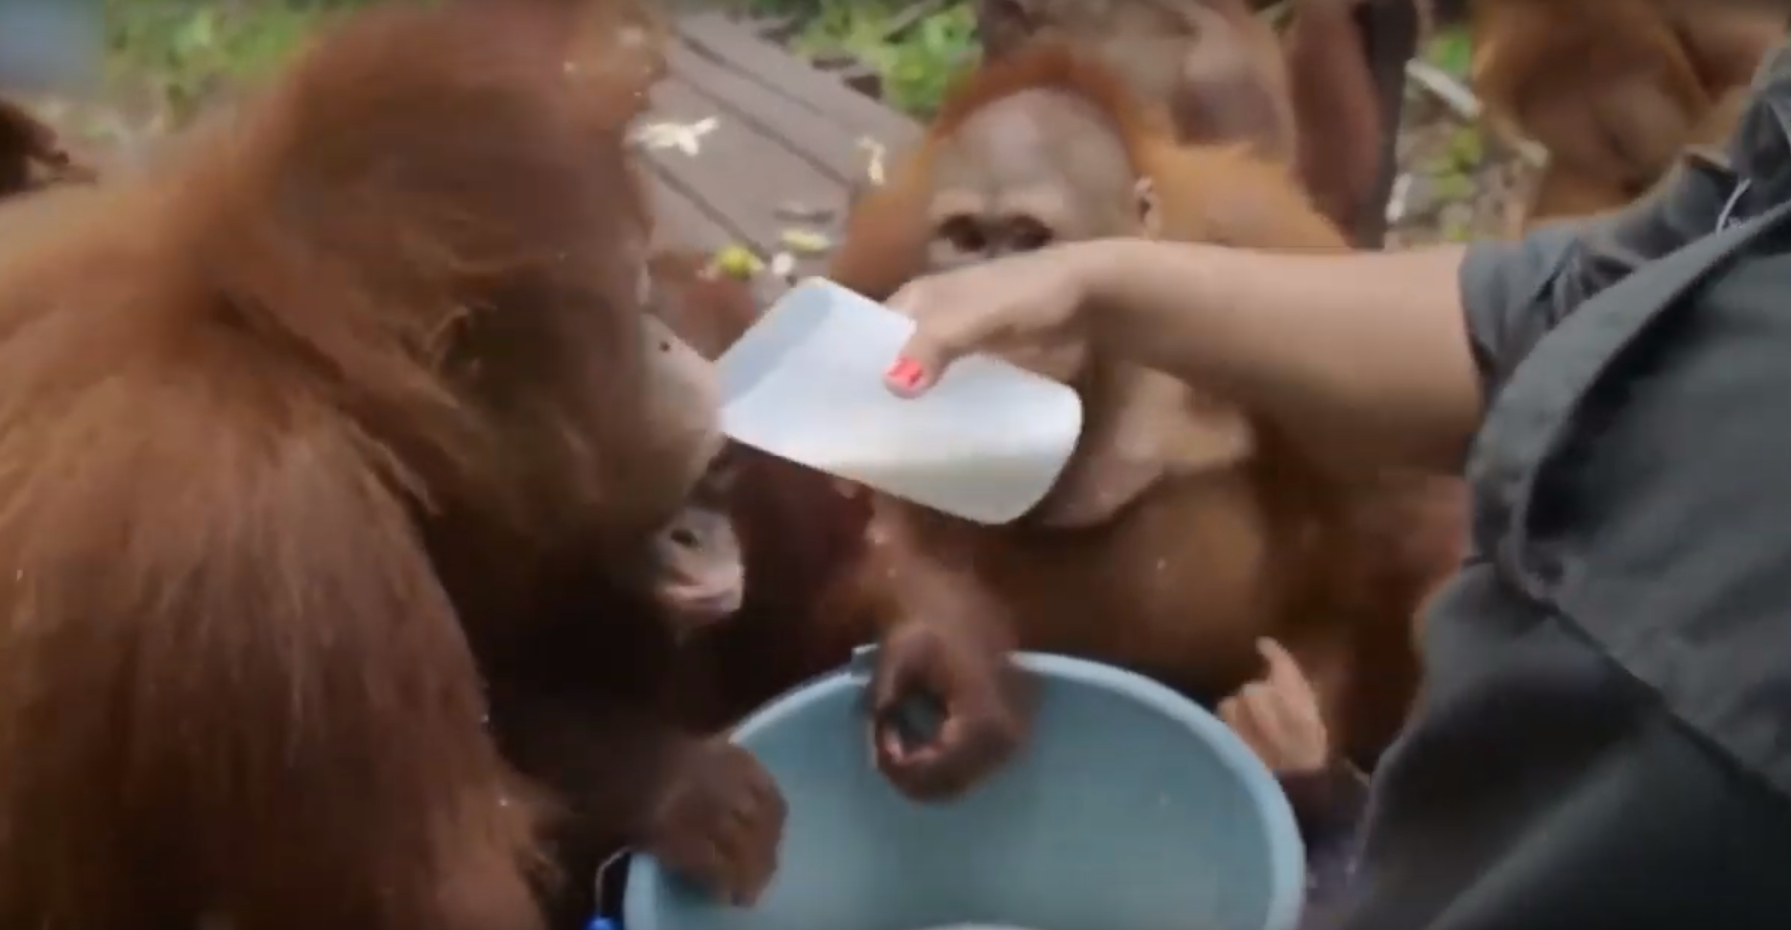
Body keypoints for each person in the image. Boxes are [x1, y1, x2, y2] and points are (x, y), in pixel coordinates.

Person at [877, 14, 1791, 928]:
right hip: (1035, 742)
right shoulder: (912, 271)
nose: (996, 270)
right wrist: (927, 596)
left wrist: (1328, 740)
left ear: (1146, 215)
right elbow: (1574, 303)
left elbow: (1407, 530)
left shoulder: (1246, 234)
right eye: (966, 239)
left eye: (1031, 237)